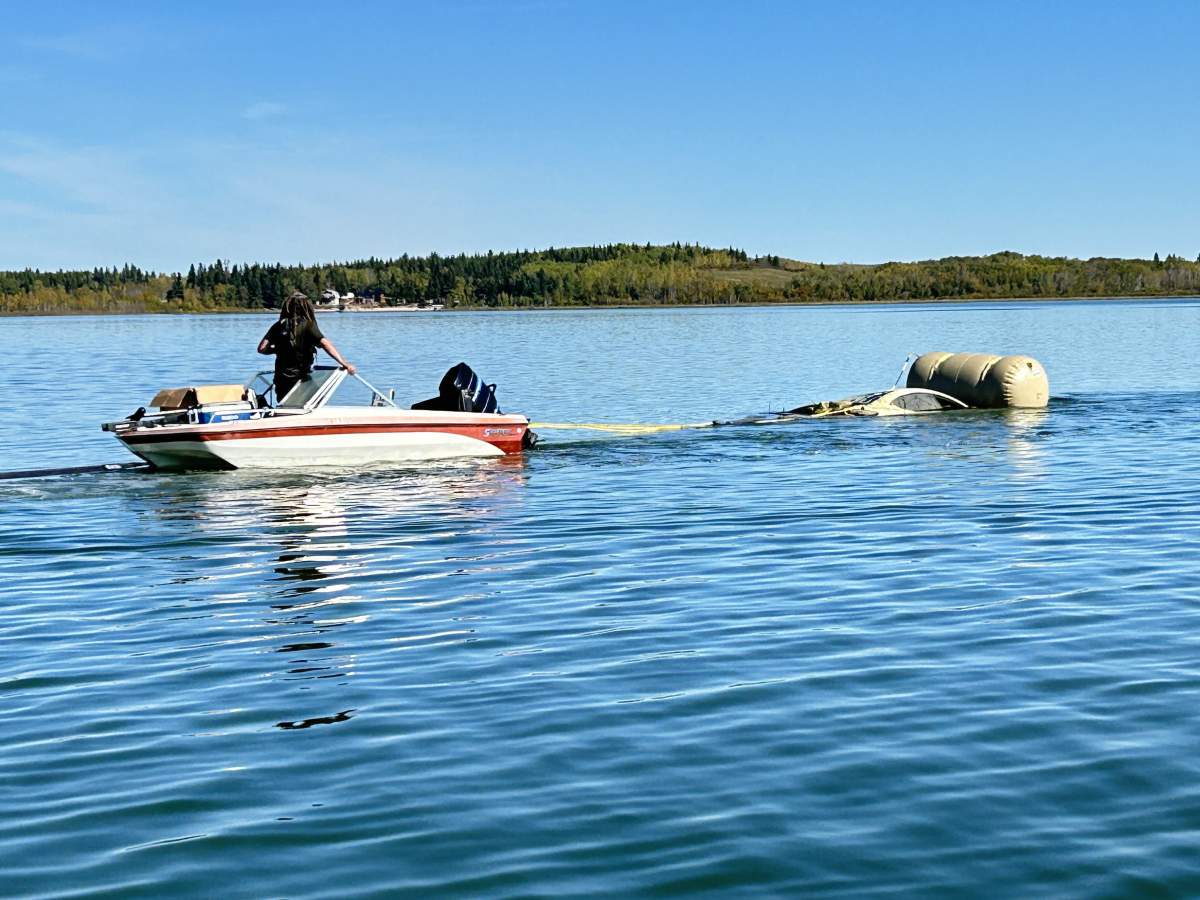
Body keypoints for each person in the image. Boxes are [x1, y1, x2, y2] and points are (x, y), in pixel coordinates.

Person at [258, 291, 356, 402]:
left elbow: (262, 348)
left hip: (281, 378)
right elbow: (325, 344)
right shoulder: (308, 325)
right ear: (306, 307)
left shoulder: (278, 325)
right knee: (309, 403)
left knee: (284, 405)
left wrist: (277, 349)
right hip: (301, 378)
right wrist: (345, 364)